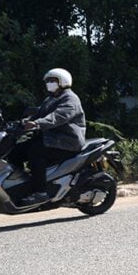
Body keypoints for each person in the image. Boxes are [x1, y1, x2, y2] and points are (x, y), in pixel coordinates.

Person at [16, 68, 86, 206]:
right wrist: (22, 122)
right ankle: (20, 185)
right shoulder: (51, 98)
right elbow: (39, 114)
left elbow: (58, 116)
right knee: (15, 151)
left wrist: (37, 123)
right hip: (51, 139)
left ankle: (40, 192)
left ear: (62, 81)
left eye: (52, 80)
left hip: (66, 141)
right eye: (48, 81)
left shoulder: (70, 98)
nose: (49, 83)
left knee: (36, 152)